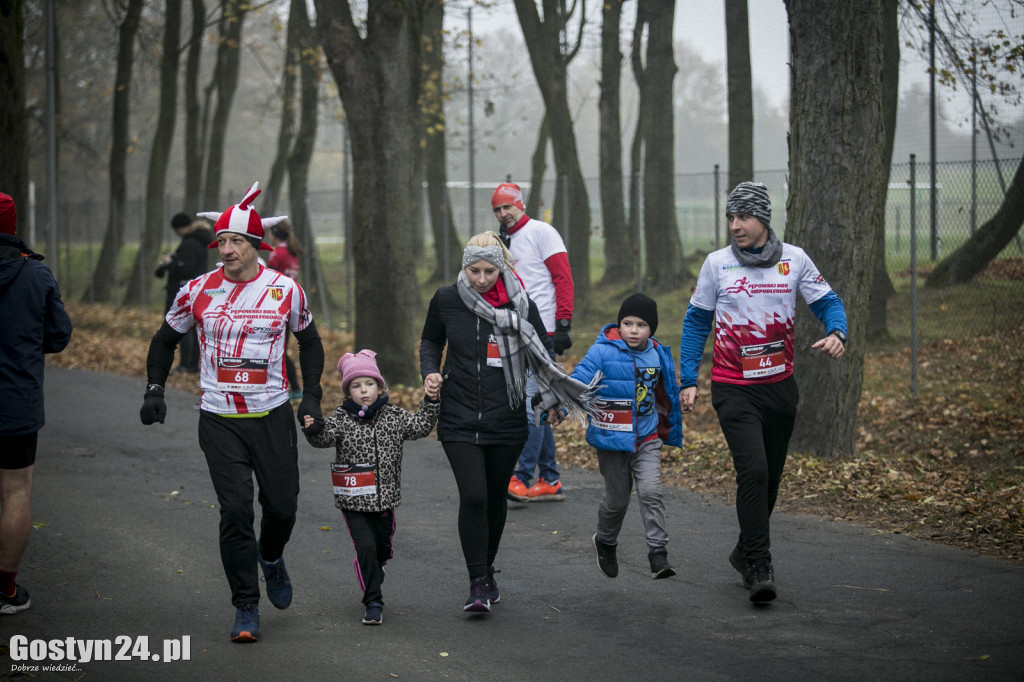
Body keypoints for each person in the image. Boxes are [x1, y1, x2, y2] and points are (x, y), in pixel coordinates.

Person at [139, 182, 325, 642]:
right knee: (236, 510)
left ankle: (272, 556)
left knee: (281, 508)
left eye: (235, 241)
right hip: (219, 416)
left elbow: (312, 342)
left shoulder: (285, 290)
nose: (225, 250)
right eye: (220, 241)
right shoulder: (196, 290)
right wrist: (154, 389)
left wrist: (315, 397)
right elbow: (164, 340)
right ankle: (245, 605)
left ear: (256, 246)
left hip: (272, 414)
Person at [678, 181, 848, 603]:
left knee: (770, 477)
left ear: (764, 220)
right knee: (752, 471)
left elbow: (828, 302)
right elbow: (697, 322)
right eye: (731, 218)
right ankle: (759, 563)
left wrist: (837, 331)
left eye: (744, 218)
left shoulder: (795, 259)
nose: (735, 225)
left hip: (779, 388)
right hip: (733, 388)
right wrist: (687, 378)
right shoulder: (717, 264)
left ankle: (743, 550)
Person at [420, 235, 598, 613]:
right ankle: (476, 582)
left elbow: (543, 354)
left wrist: (550, 400)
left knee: (494, 499)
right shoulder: (447, 299)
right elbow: (430, 341)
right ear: (464, 268)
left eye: (490, 270)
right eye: (474, 271)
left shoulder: (521, 303)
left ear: (503, 268)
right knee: (474, 497)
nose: (481, 279)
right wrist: (430, 372)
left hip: (508, 416)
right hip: (458, 416)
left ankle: (487, 572)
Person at [302, 349, 439, 625]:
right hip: (353, 501)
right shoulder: (341, 419)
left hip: (385, 500)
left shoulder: (394, 417)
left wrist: (432, 399)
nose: (363, 390)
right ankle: (373, 601)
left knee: (382, 550)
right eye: (355, 385)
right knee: (364, 547)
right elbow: (323, 438)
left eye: (369, 384)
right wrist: (312, 428)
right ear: (347, 391)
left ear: (379, 386)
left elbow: (422, 426)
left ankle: (376, 568)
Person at [564, 293, 682, 580]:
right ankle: (605, 540)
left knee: (651, 491)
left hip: (646, 437)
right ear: (619, 324)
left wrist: (679, 403)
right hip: (612, 440)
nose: (633, 329)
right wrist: (557, 406)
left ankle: (658, 554)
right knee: (617, 501)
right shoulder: (602, 351)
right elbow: (578, 380)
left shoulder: (657, 353)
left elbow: (665, 391)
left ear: (651, 329)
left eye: (641, 324)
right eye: (627, 323)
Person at [0, 192, 73, 616]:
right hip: (15, 402)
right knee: (14, 492)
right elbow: (58, 336)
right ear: (13, 225)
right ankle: (5, 588)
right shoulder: (36, 275)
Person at [491, 182, 574, 503]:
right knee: (541, 402)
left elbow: (562, 277)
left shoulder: (543, 232)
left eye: (507, 207)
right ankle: (550, 479)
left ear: (520, 205)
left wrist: (564, 322)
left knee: (532, 404)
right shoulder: (502, 240)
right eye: (497, 210)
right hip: (515, 331)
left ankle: (521, 476)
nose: (503, 214)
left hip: (545, 332)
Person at [154, 213, 214, 373]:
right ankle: (192, 364)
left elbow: (185, 268)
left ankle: (186, 364)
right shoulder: (200, 241)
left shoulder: (189, 243)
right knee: (194, 328)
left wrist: (171, 262)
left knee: (184, 328)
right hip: (197, 290)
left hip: (184, 291)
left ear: (180, 228)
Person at [265, 220, 304, 398]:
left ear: (273, 235)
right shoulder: (292, 253)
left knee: (276, 349)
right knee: (279, 348)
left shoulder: (277, 254)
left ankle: (291, 389)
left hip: (276, 306)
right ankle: (293, 388)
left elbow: (269, 280)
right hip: (289, 304)